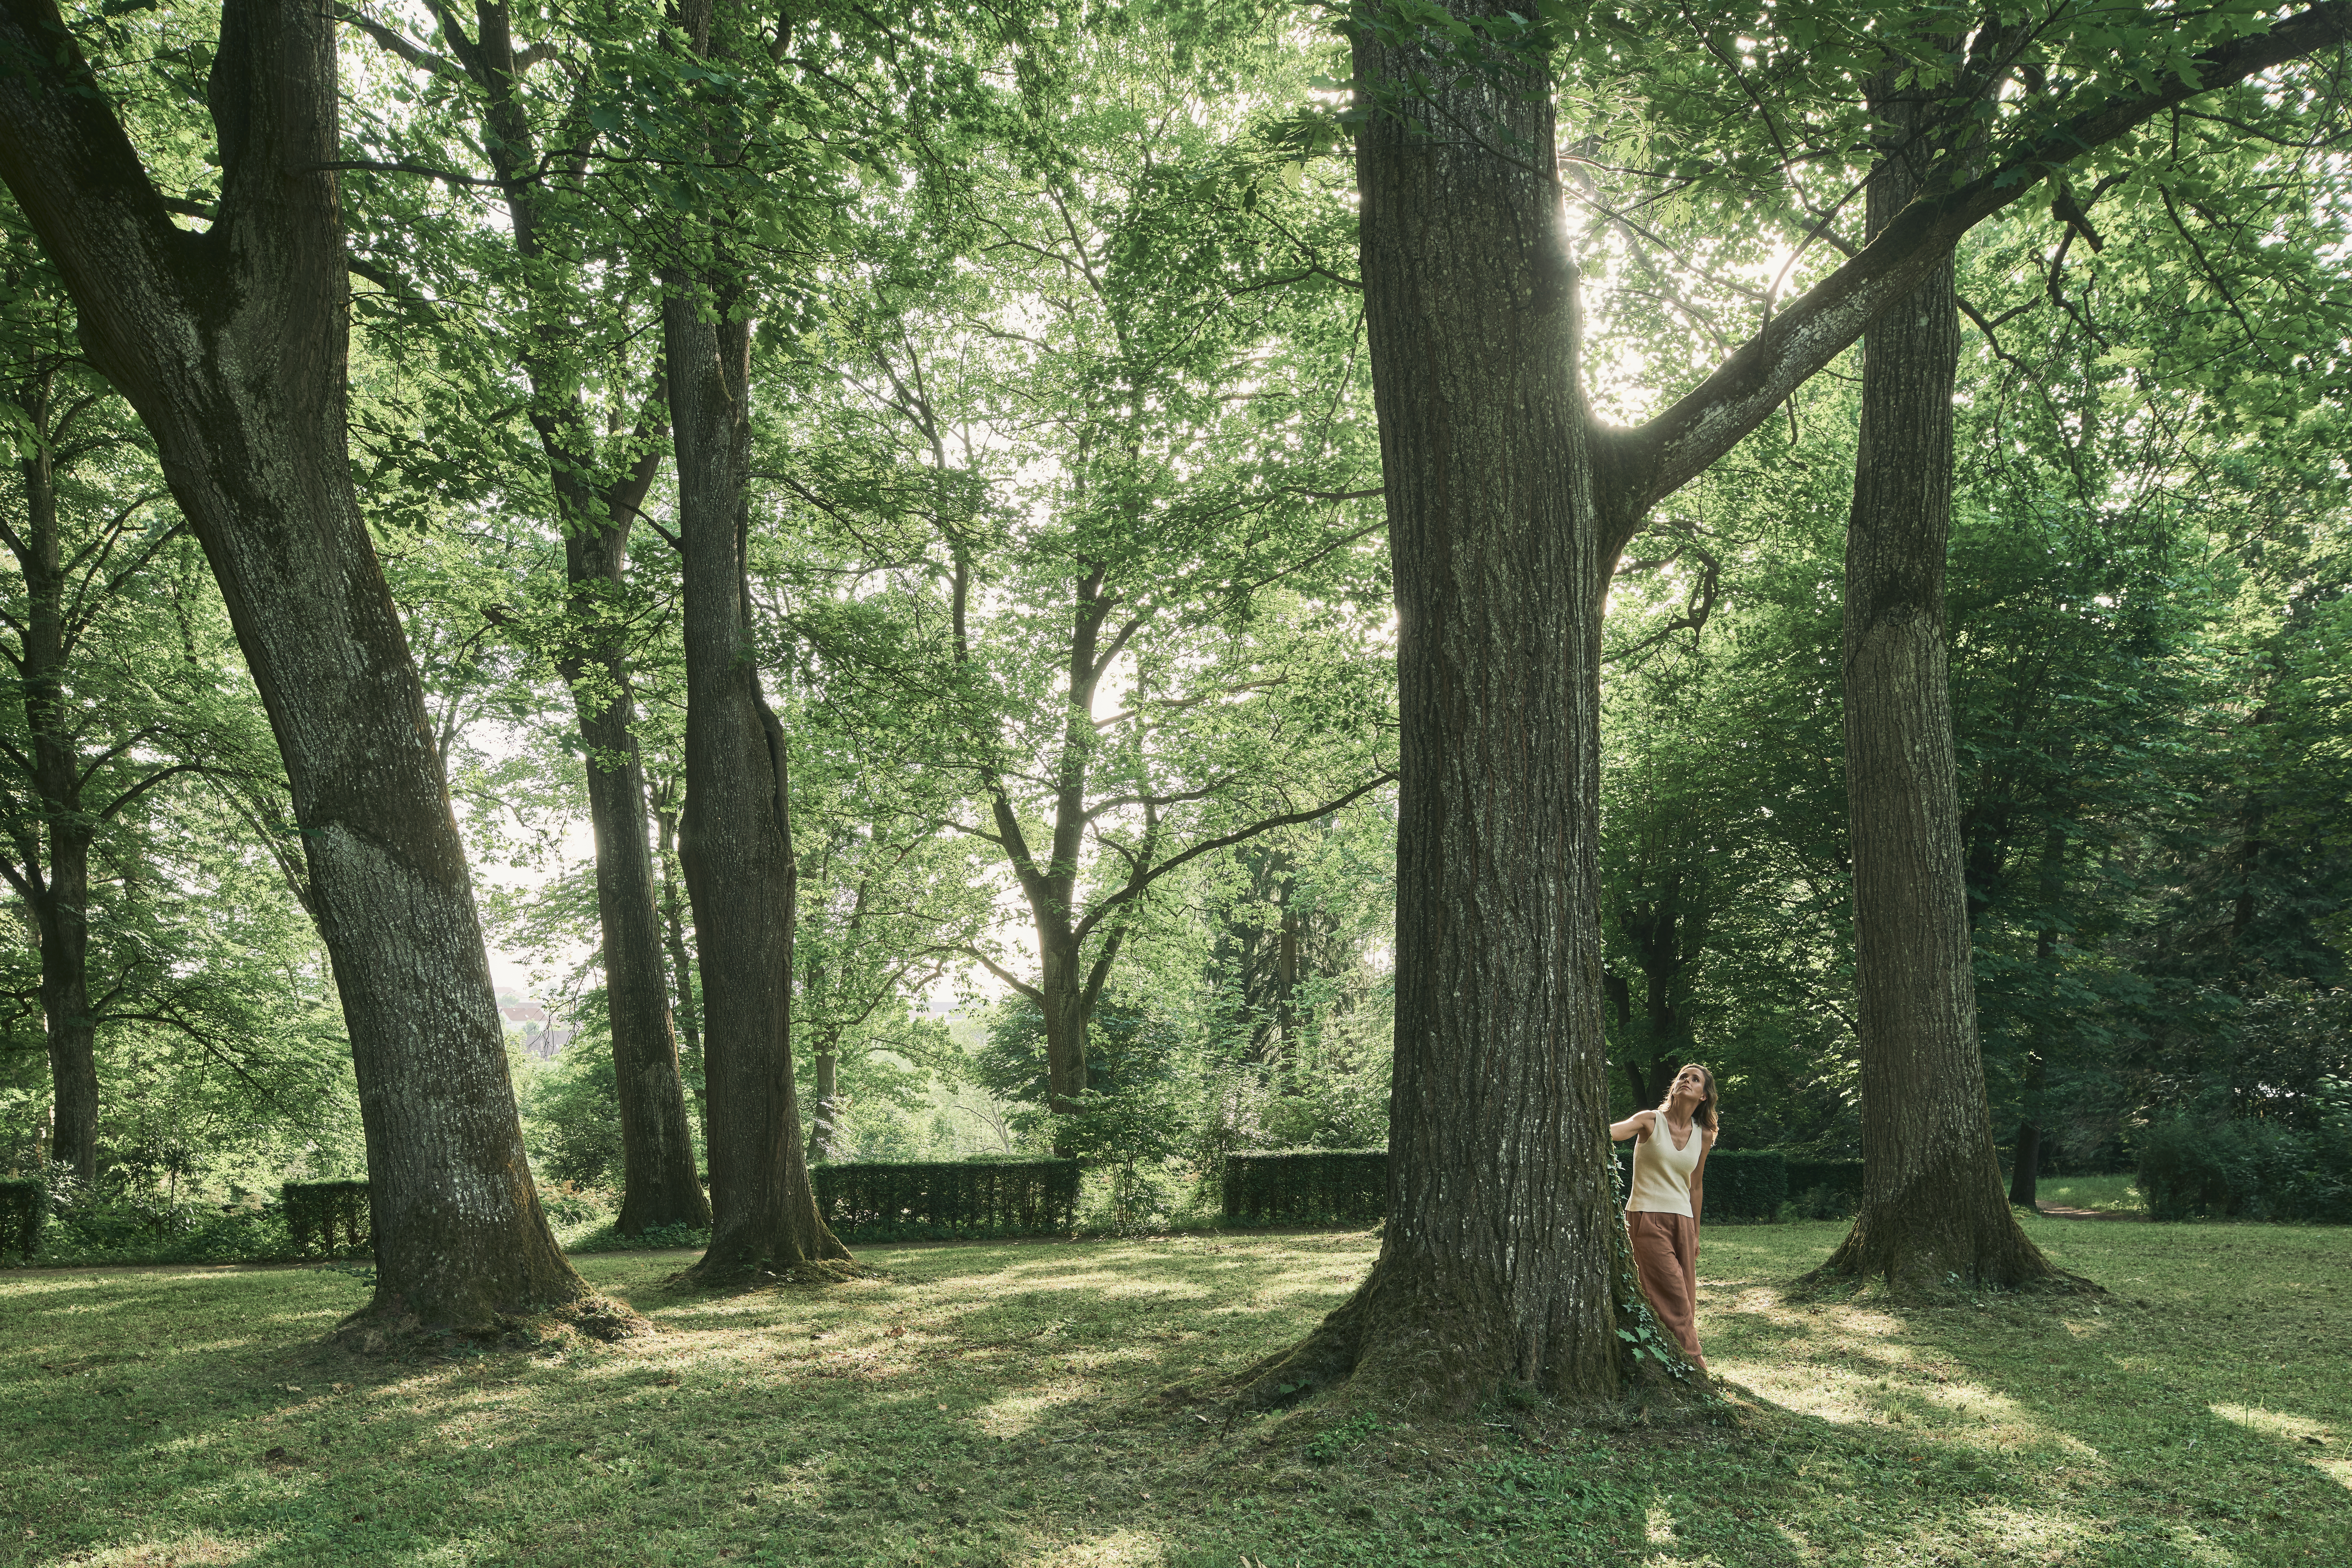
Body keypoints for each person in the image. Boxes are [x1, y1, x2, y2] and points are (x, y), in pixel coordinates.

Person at [1609, 1063, 1717, 1373]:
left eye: (1695, 1079)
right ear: (1674, 1087)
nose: (1687, 1081)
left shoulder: (1704, 1135)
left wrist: (1696, 1233)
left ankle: (1667, 1364)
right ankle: (1698, 1370)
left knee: (1686, 1300)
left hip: (1683, 1222)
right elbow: (1611, 1134)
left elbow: (1695, 1186)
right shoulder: (1649, 1121)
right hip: (1647, 1217)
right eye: (1683, 1076)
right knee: (1675, 1299)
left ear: (1704, 1096)